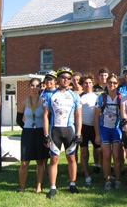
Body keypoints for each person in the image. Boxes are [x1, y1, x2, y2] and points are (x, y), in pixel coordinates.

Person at [43, 67, 83, 199]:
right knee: (54, 159)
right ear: (58, 79)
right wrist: (45, 134)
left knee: (71, 158)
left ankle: (72, 184)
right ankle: (53, 187)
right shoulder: (50, 94)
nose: (66, 80)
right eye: (63, 77)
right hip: (55, 130)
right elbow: (45, 115)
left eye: (68, 78)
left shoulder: (74, 95)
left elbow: (78, 115)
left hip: (69, 130)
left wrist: (78, 133)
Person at [17, 78, 50, 193]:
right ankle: (22, 187)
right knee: (25, 162)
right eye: (32, 85)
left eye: (37, 85)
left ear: (40, 87)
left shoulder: (44, 101)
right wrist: (27, 128)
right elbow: (19, 120)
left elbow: (48, 118)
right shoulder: (24, 102)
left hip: (41, 132)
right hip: (28, 133)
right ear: (29, 86)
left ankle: (39, 186)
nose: (34, 88)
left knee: (40, 161)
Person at [95, 73, 123, 190]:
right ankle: (107, 179)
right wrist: (97, 134)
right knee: (106, 156)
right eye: (110, 82)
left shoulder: (122, 97)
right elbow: (96, 117)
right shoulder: (101, 97)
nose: (112, 84)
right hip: (104, 128)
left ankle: (117, 179)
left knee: (117, 156)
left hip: (116, 129)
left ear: (118, 84)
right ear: (106, 83)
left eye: (114, 83)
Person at [79, 72, 101, 186]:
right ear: (82, 84)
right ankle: (87, 175)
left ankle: (105, 173)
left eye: (89, 83)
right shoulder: (80, 97)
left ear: (93, 84)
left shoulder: (98, 97)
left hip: (95, 127)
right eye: (85, 83)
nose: (88, 85)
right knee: (84, 153)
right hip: (83, 128)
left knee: (100, 151)